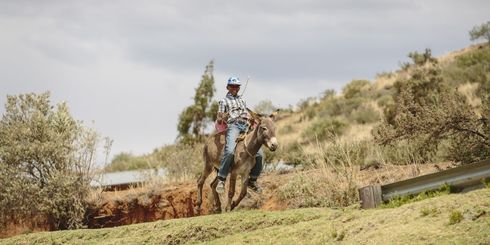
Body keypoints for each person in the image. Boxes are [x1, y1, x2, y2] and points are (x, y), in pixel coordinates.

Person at [215, 76, 263, 194]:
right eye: (233, 86)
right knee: (230, 151)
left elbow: (248, 113)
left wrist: (252, 120)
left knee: (259, 154)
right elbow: (219, 118)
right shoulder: (223, 101)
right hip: (233, 126)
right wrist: (223, 117)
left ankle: (253, 180)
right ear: (228, 87)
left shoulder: (242, 100)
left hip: (246, 126)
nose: (235, 88)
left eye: (237, 86)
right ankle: (221, 178)